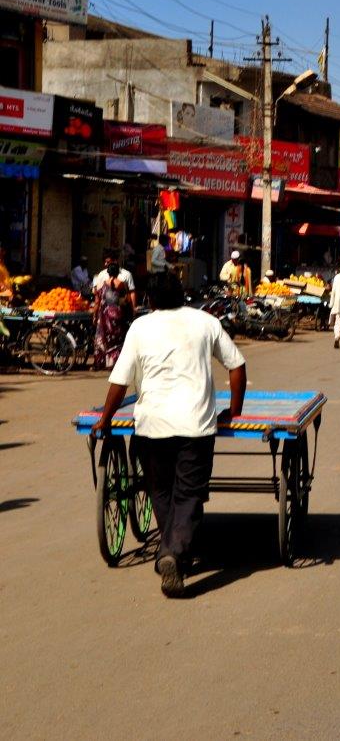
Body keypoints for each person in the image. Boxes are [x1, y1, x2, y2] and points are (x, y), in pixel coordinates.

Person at [90, 272, 246, 598]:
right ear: (183, 295)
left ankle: (170, 548)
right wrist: (234, 410)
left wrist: (105, 419)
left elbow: (119, 381)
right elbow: (237, 366)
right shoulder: (205, 322)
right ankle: (174, 551)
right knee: (188, 493)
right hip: (196, 426)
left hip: (152, 426)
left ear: (149, 300)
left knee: (160, 490)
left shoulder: (141, 327)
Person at [92, 252, 135, 370]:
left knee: (103, 338)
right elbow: (127, 299)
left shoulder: (101, 285)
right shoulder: (121, 284)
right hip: (116, 314)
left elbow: (96, 301)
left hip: (104, 315)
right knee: (117, 339)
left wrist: (95, 315)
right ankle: (115, 363)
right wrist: (131, 310)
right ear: (117, 272)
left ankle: (100, 363)